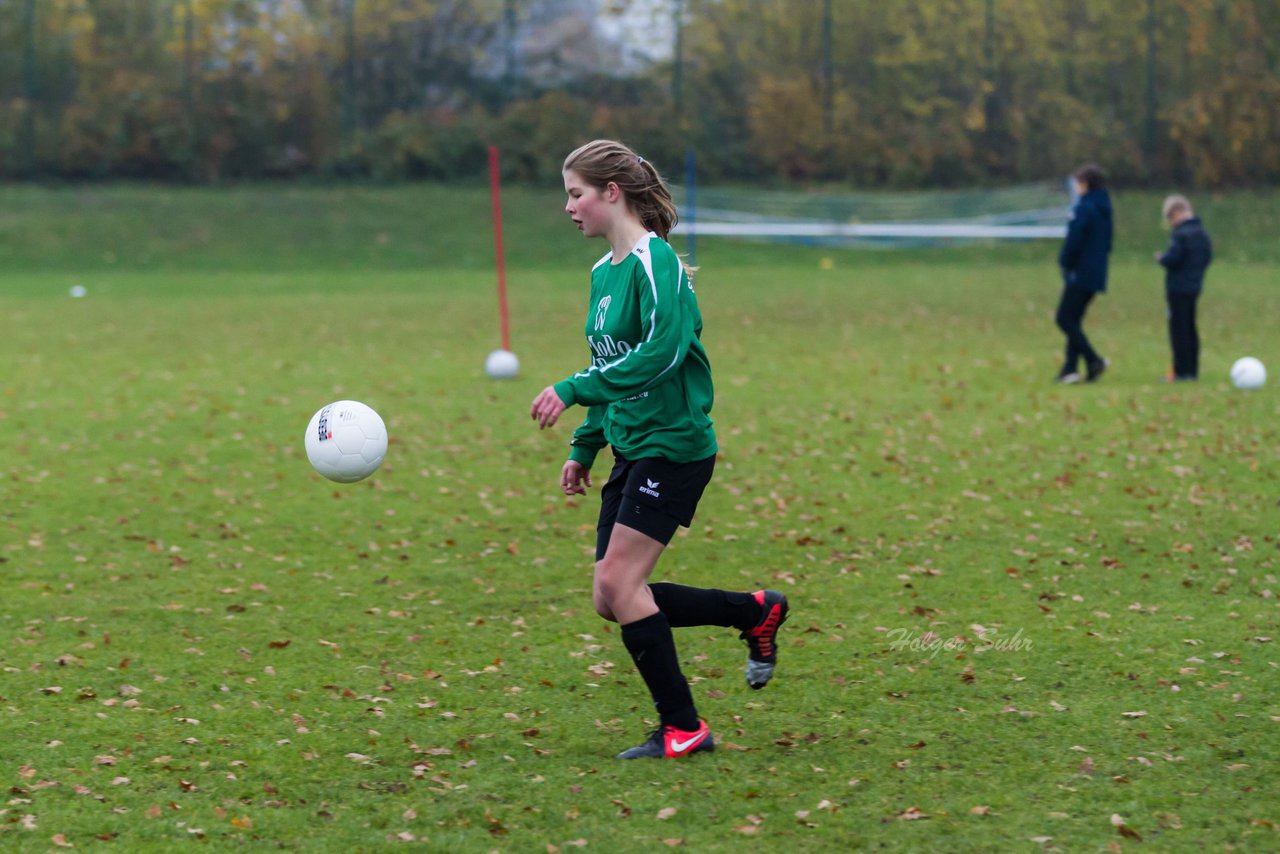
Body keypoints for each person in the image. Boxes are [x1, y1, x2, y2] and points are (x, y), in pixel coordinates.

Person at [529, 139, 789, 760]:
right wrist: (585, 445)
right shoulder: (602, 273)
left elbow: (661, 355)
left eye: (576, 193)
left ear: (610, 193)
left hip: (674, 446)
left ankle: (683, 727)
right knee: (609, 597)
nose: (569, 207)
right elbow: (610, 363)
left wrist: (569, 390)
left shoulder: (656, 263)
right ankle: (754, 612)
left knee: (621, 585)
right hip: (631, 446)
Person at [1055, 163, 1113, 384]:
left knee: (1064, 319)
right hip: (1097, 273)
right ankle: (1069, 369)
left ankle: (1093, 359)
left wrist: (1066, 263)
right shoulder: (1105, 208)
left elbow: (1074, 241)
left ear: (1085, 184)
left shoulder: (1084, 208)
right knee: (1074, 320)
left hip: (1080, 272)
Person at [1155, 194, 1212, 381]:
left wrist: (1161, 259)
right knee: (1190, 328)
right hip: (1195, 286)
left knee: (1178, 331)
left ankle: (1180, 372)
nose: (1171, 222)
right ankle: (1192, 370)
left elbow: (1174, 259)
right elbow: (1207, 257)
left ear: (1177, 213)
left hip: (1178, 288)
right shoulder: (1202, 233)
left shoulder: (1180, 234)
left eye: (1170, 217)